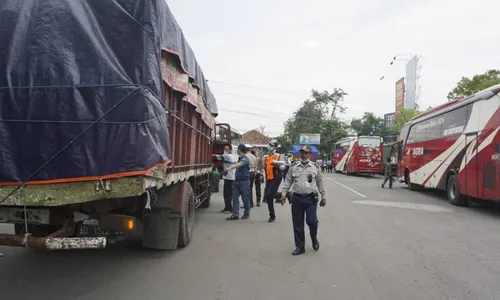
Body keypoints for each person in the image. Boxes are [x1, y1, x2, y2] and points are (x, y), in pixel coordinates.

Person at [281, 145, 326, 256]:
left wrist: (323, 196)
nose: (304, 155)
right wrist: (283, 194)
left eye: (306, 153)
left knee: (312, 221)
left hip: (310, 198)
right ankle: (300, 247)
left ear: (310, 154)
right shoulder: (294, 166)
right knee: (297, 224)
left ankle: (314, 238)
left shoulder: (315, 167)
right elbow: (288, 181)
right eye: (302, 152)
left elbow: (320, 182)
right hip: (297, 198)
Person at [225, 144, 251, 220]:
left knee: (245, 198)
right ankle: (235, 214)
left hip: (244, 182)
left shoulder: (245, 159)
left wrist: (230, 167)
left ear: (240, 150)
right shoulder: (239, 158)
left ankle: (246, 213)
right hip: (236, 181)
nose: (237, 151)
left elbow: (239, 165)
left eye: (238, 149)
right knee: (235, 198)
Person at [263, 139, 286, 223]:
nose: (269, 146)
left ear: (275, 147)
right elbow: (265, 167)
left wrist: (277, 165)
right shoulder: (266, 156)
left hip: (276, 177)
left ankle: (272, 216)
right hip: (269, 177)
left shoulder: (279, 156)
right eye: (269, 144)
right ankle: (287, 194)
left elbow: (283, 166)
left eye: (271, 145)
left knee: (269, 194)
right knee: (269, 196)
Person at [214, 144, 237, 213]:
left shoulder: (227, 156)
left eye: (227, 149)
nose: (225, 150)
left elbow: (215, 156)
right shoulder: (233, 156)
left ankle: (229, 208)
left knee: (227, 194)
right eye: (224, 149)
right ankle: (227, 207)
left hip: (230, 178)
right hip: (229, 177)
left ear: (230, 150)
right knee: (227, 194)